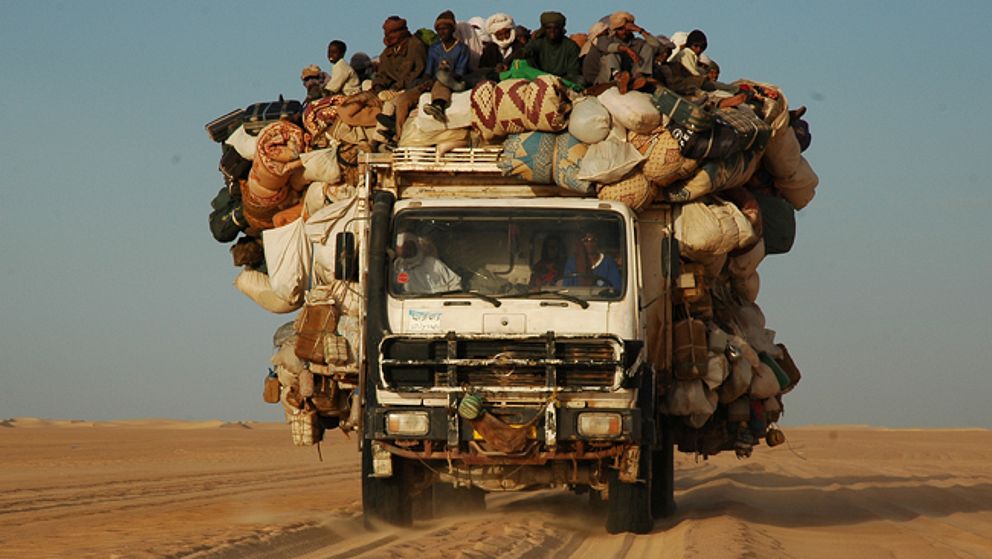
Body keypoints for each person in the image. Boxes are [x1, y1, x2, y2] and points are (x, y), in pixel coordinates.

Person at [372, 16, 428, 145]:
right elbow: (382, 74)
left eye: (393, 32)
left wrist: (397, 87)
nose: (389, 36)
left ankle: (387, 137)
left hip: (413, 86)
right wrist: (378, 87)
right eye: (387, 33)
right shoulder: (387, 52)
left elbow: (419, 70)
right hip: (393, 88)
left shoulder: (415, 45)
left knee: (391, 104)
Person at [591, 11, 661, 92]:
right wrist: (627, 49)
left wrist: (641, 31)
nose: (624, 31)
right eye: (620, 29)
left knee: (648, 47)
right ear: (615, 29)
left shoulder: (637, 42)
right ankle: (619, 78)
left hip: (630, 75)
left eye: (626, 29)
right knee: (611, 54)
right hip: (607, 78)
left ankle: (640, 77)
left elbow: (656, 46)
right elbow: (605, 47)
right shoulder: (606, 39)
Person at [421, 9, 470, 122]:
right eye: (438, 30)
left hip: (453, 81)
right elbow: (428, 71)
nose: (441, 32)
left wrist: (443, 76)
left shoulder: (462, 49)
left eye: (445, 29)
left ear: (452, 29)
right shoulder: (434, 48)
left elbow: (460, 73)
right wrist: (426, 81)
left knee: (442, 79)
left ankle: (438, 105)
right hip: (434, 80)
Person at [524, 11, 583, 86]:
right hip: (540, 78)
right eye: (549, 28)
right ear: (544, 29)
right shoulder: (537, 42)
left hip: (563, 81)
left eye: (556, 28)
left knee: (580, 81)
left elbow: (573, 72)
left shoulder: (571, 47)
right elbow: (525, 52)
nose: (552, 31)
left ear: (561, 29)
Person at [392, 233, 462, 295]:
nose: (408, 249)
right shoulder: (398, 269)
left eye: (410, 245)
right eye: (405, 247)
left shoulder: (432, 262)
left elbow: (454, 281)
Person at [666, 29, 707, 96]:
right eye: (696, 46)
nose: (698, 49)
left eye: (702, 47)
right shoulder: (686, 53)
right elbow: (692, 72)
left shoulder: (690, 54)